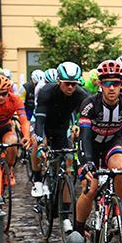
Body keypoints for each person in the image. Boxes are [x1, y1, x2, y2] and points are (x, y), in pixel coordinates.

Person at [74, 60, 122, 236]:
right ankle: (78, 228)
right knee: (91, 188)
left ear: (121, 84)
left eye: (115, 83)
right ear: (100, 84)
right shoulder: (89, 104)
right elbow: (84, 137)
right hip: (90, 146)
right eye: (107, 83)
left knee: (119, 170)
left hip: (112, 142)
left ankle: (118, 212)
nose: (111, 88)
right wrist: (87, 162)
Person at [30, 62, 89, 232]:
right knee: (36, 143)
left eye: (74, 84)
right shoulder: (46, 92)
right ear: (58, 81)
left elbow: (85, 117)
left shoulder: (80, 94)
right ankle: (38, 181)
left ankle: (65, 215)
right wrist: (41, 143)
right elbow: (39, 121)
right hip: (45, 126)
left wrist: (78, 128)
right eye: (67, 83)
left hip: (62, 130)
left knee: (68, 170)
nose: (71, 87)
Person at [0, 75, 31, 215]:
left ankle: (8, 169)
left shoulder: (15, 99)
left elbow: (23, 119)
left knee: (12, 142)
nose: (1, 97)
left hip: (5, 127)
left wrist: (26, 136)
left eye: (4, 94)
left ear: (8, 91)